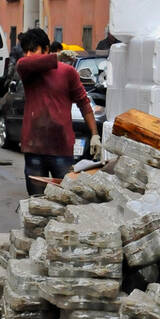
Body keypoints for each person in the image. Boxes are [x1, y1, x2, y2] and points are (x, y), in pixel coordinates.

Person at [16, 27, 102, 195]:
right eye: (25, 50)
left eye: (33, 50)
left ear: (46, 48)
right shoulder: (27, 71)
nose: (28, 54)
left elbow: (83, 103)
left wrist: (94, 134)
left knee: (64, 199)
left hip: (61, 147)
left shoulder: (67, 72)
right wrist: (57, 57)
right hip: (34, 147)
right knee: (36, 201)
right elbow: (23, 62)